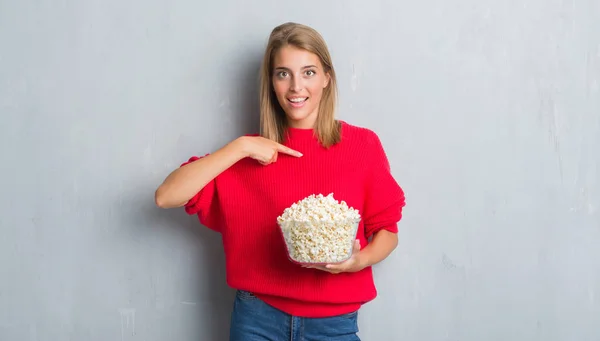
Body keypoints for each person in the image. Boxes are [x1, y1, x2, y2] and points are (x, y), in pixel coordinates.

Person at [155, 22, 406, 341]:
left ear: (327, 78)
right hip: (257, 319)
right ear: (271, 82)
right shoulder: (247, 154)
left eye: (309, 73)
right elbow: (166, 196)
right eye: (283, 73)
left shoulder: (361, 146)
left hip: (333, 324)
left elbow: (387, 230)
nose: (296, 87)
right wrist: (241, 146)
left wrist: (359, 261)